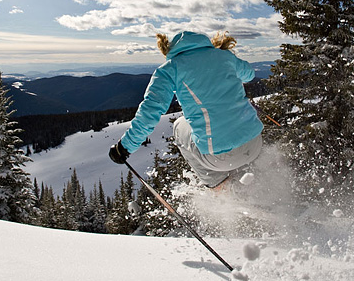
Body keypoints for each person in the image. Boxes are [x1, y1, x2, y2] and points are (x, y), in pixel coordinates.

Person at [109, 31, 263, 191]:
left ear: (169, 50)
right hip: (255, 143)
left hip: (219, 159)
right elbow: (249, 74)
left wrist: (125, 147)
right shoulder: (223, 56)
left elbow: (150, 111)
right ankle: (245, 172)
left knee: (179, 125)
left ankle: (218, 185)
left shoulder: (169, 69)